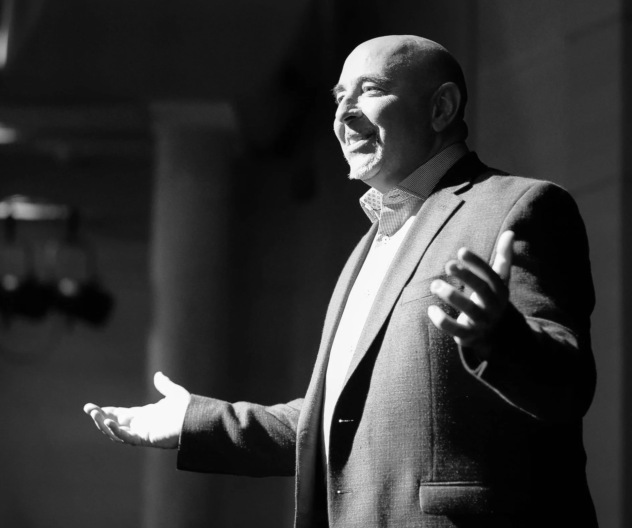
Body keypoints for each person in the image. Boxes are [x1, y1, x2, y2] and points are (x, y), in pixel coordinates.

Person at [84, 35, 597, 527]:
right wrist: (192, 422)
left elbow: (568, 384)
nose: (343, 115)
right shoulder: (370, 245)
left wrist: (498, 336)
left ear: (441, 109)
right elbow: (338, 419)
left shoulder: (518, 207)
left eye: (369, 91)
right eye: (338, 98)